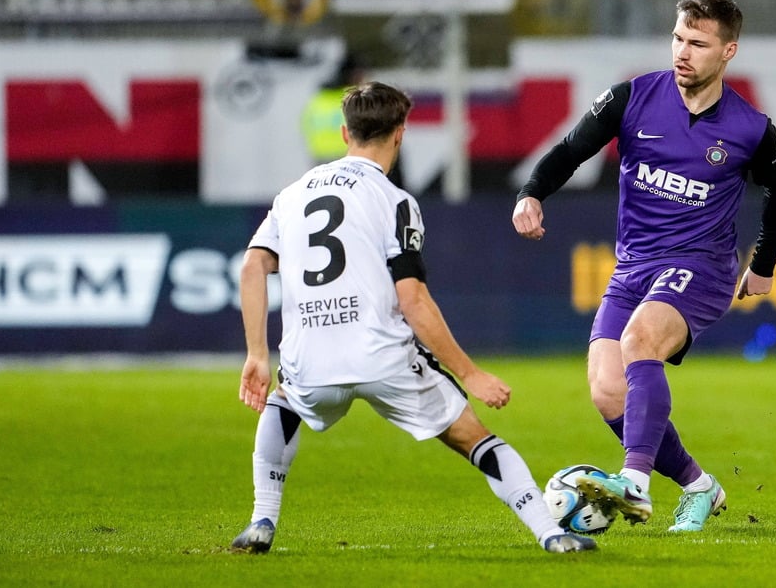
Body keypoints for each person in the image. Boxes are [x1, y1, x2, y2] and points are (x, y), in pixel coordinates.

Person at [231, 81, 596, 554]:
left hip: (312, 358)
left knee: (283, 406)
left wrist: (257, 354)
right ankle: (551, 533)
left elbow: (253, 266)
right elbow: (413, 299)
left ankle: (262, 519)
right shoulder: (396, 201)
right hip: (382, 357)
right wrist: (471, 373)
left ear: (345, 133)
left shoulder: (292, 195)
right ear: (400, 135)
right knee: (473, 438)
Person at [512, 0, 776, 532]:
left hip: (702, 265)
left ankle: (633, 486)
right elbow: (570, 149)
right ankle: (698, 486)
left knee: (640, 340)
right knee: (607, 390)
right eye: (678, 38)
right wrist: (532, 193)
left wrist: (763, 262)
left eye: (698, 43)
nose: (682, 52)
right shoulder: (632, 98)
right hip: (634, 264)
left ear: (728, 51)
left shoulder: (750, 127)